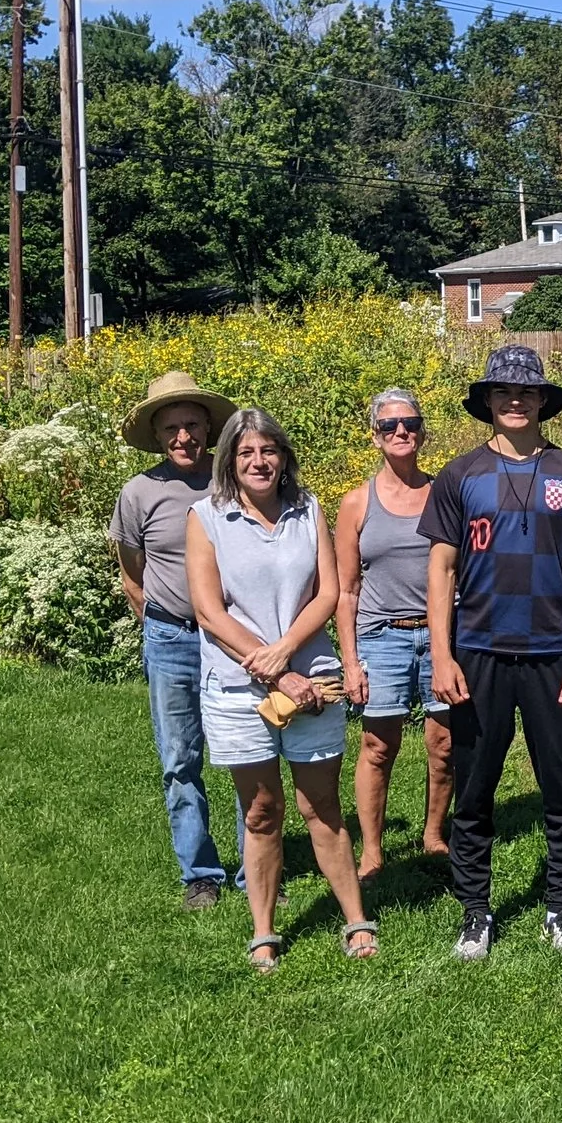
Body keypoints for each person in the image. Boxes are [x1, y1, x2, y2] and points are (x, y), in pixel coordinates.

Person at [423, 344, 562, 963]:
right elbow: (441, 569)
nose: (514, 400)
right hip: (477, 651)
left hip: (554, 653)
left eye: (526, 392)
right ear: (486, 402)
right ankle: (475, 912)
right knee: (475, 790)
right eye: (502, 392)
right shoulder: (459, 476)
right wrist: (442, 655)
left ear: (541, 401)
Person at [182, 408, 374, 972]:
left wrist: (288, 653)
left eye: (268, 451)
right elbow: (209, 612)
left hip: (311, 680)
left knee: (322, 808)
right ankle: (264, 930)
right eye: (245, 453)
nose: (259, 462)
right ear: (229, 462)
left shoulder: (308, 508)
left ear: (283, 457)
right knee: (262, 811)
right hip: (240, 688)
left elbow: (329, 590)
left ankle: (355, 919)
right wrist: (271, 669)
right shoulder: (206, 518)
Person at [109, 370, 237, 912]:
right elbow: (130, 569)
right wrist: (157, 617)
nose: (183, 438)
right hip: (171, 638)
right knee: (180, 757)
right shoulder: (140, 492)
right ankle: (201, 872)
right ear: (157, 436)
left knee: (243, 752)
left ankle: (258, 864)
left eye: (192, 425)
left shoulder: (233, 481)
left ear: (208, 428)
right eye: (171, 429)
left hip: (231, 640)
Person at [333, 387, 455, 887]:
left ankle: (433, 835)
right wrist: (350, 661)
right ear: (375, 437)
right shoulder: (357, 503)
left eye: (410, 424)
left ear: (422, 432)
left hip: (442, 634)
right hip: (382, 636)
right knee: (377, 746)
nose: (401, 432)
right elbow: (345, 590)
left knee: (445, 743)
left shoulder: (446, 494)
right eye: (389, 426)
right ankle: (373, 851)